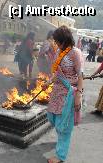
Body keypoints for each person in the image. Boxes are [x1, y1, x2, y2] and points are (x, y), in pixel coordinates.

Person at [43, 26, 84, 163]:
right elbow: (56, 73)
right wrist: (48, 83)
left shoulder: (75, 53)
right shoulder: (59, 51)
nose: (56, 43)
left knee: (64, 125)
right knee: (52, 118)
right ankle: (61, 140)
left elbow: (80, 75)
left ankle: (60, 156)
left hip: (69, 93)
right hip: (56, 91)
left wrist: (78, 95)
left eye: (57, 41)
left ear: (64, 40)